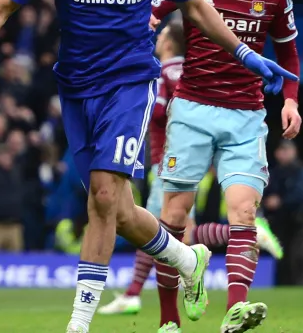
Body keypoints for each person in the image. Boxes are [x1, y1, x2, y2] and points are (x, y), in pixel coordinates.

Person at [0, 0, 297, 332]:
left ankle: (79, 323)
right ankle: (188, 256)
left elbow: (197, 10)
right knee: (119, 212)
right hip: (76, 92)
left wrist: (243, 53)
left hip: (130, 85)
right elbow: (2, 6)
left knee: (104, 196)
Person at [149, 0, 302, 332]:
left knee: (244, 214)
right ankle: (168, 320)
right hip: (192, 110)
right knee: (173, 219)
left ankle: (236, 309)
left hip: (246, 116)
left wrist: (290, 101)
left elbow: (288, 52)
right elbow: (152, 16)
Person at [98, 22, 284, 321]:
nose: (157, 40)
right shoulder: (198, 71)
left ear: (170, 43)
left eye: (161, 36)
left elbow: (158, 112)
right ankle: (143, 291)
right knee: (174, 234)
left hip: (169, 160)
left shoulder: (166, 72)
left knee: (154, 231)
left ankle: (140, 297)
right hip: (195, 157)